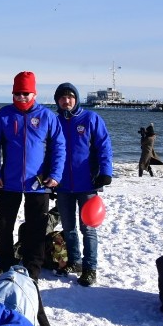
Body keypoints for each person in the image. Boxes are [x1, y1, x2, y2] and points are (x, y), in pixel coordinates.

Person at [0, 71, 66, 280]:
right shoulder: (3, 116)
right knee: (4, 224)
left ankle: (33, 266)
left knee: (37, 226)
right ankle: (4, 260)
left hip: (38, 183)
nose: (21, 97)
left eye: (26, 93)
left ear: (34, 94)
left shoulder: (47, 116)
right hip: (8, 181)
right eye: (17, 93)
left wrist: (56, 174)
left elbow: (59, 147)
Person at [53, 82, 114, 287]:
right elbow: (47, 151)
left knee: (87, 228)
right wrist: (50, 179)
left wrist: (105, 173)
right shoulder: (55, 121)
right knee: (69, 228)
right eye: (62, 98)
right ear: (57, 101)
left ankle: (90, 268)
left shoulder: (90, 118)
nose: (66, 100)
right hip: (62, 185)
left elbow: (104, 146)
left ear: (76, 99)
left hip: (87, 184)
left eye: (70, 96)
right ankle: (75, 261)